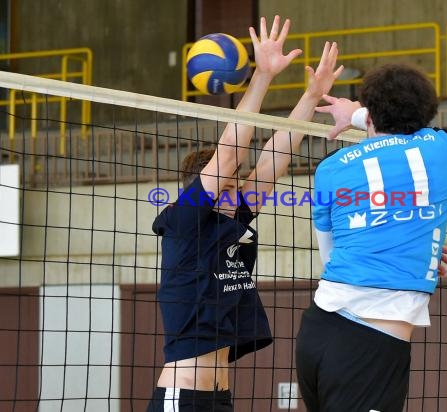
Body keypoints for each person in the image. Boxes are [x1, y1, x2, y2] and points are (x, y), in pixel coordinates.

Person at [147, 15, 343, 412]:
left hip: (219, 398)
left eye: (238, 182)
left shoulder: (232, 222)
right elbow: (231, 153)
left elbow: (274, 158)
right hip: (181, 399)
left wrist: (310, 95)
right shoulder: (184, 221)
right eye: (230, 183)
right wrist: (263, 75)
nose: (240, 188)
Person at [295, 63, 447, 412]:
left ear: (371, 115)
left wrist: (412, 244)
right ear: (427, 111)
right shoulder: (442, 149)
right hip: (370, 344)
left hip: (319, 328)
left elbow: (330, 255)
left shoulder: (330, 167)